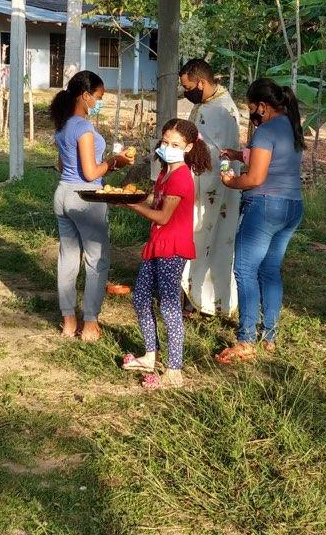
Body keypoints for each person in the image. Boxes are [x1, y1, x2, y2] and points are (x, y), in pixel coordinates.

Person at [215, 78, 306, 363]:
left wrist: (230, 182)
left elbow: (255, 177)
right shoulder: (291, 126)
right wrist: (238, 155)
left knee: (245, 270)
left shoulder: (265, 131)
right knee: (270, 270)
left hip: (265, 206)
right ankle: (269, 337)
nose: (251, 113)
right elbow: (272, 162)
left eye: (252, 108)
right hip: (292, 206)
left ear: (263, 107)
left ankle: (245, 339)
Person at [122, 119, 211, 388]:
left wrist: (131, 204)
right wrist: (135, 196)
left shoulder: (182, 176)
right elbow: (156, 202)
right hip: (158, 243)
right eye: (165, 142)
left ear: (188, 147)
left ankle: (174, 370)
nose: (168, 148)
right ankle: (150, 354)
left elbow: (162, 216)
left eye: (175, 145)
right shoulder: (165, 173)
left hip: (172, 247)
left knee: (170, 307)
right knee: (140, 297)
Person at [50, 70, 133, 342]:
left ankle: (68, 321)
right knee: (96, 261)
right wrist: (114, 162)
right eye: (98, 97)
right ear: (85, 96)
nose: (99, 102)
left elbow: (62, 165)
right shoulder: (84, 128)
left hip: (63, 193)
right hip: (86, 197)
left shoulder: (63, 124)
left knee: (67, 259)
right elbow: (90, 172)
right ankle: (89, 324)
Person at [179, 58, 240, 317]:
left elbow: (214, 153)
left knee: (200, 238)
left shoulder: (216, 110)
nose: (186, 92)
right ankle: (198, 298)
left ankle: (196, 300)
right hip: (217, 186)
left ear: (201, 83)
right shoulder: (220, 103)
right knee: (210, 241)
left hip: (208, 188)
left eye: (188, 86)